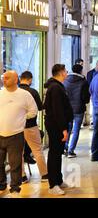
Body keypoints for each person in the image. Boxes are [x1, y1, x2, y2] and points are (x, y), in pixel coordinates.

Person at [0, 71, 38, 197]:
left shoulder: (24, 95)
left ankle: (15, 188)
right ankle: (1, 184)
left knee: (15, 163)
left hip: (16, 134)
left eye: (7, 78)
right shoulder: (0, 93)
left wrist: (21, 119)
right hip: (0, 134)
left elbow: (33, 111)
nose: (4, 80)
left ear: (16, 79)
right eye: (3, 78)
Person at [44, 64, 74, 196]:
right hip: (55, 126)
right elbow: (58, 110)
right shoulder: (55, 87)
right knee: (54, 154)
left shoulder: (56, 86)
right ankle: (53, 184)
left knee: (58, 153)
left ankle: (58, 179)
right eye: (66, 71)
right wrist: (63, 128)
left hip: (57, 124)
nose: (67, 73)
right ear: (61, 73)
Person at [18, 71, 48, 183]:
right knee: (37, 150)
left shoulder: (14, 92)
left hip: (17, 127)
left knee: (18, 152)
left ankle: (22, 176)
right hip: (30, 126)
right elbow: (40, 108)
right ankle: (44, 175)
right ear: (30, 79)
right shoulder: (33, 92)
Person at [63, 64, 90, 158]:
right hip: (79, 108)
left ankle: (65, 148)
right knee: (76, 129)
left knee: (68, 129)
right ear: (81, 71)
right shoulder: (83, 81)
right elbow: (85, 97)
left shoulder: (65, 80)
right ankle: (71, 150)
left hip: (67, 109)